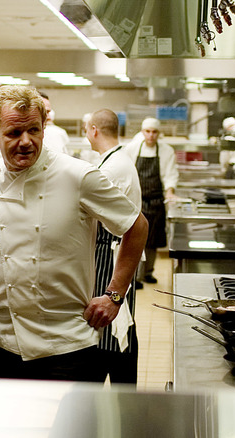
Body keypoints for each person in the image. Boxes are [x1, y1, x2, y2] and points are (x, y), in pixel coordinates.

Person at [0, 85, 144, 382]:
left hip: (67, 344)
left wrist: (115, 295)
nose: (26, 142)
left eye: (34, 130)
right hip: (2, 339)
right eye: (14, 133)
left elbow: (136, 225)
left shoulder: (77, 176)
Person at [85, 108, 148, 384]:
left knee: (109, 328)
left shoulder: (112, 167)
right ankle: (121, 391)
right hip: (112, 251)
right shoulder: (114, 160)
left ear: (94, 130)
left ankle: (118, 392)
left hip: (113, 255)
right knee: (116, 329)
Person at [124, 117, 179, 286]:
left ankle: (148, 272)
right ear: (142, 132)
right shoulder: (132, 148)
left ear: (159, 134)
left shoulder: (166, 150)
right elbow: (126, 171)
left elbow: (170, 173)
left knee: (153, 240)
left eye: (154, 132)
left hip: (156, 201)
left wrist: (170, 191)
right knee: (138, 239)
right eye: (147, 132)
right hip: (137, 200)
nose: (151, 135)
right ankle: (137, 276)